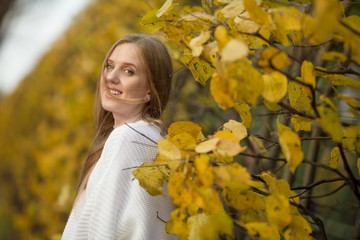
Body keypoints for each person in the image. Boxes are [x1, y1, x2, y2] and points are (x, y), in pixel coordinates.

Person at [62, 34, 176, 239]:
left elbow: (102, 231)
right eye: (109, 66)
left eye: (128, 71)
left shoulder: (130, 137)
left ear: (150, 90)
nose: (110, 77)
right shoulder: (151, 138)